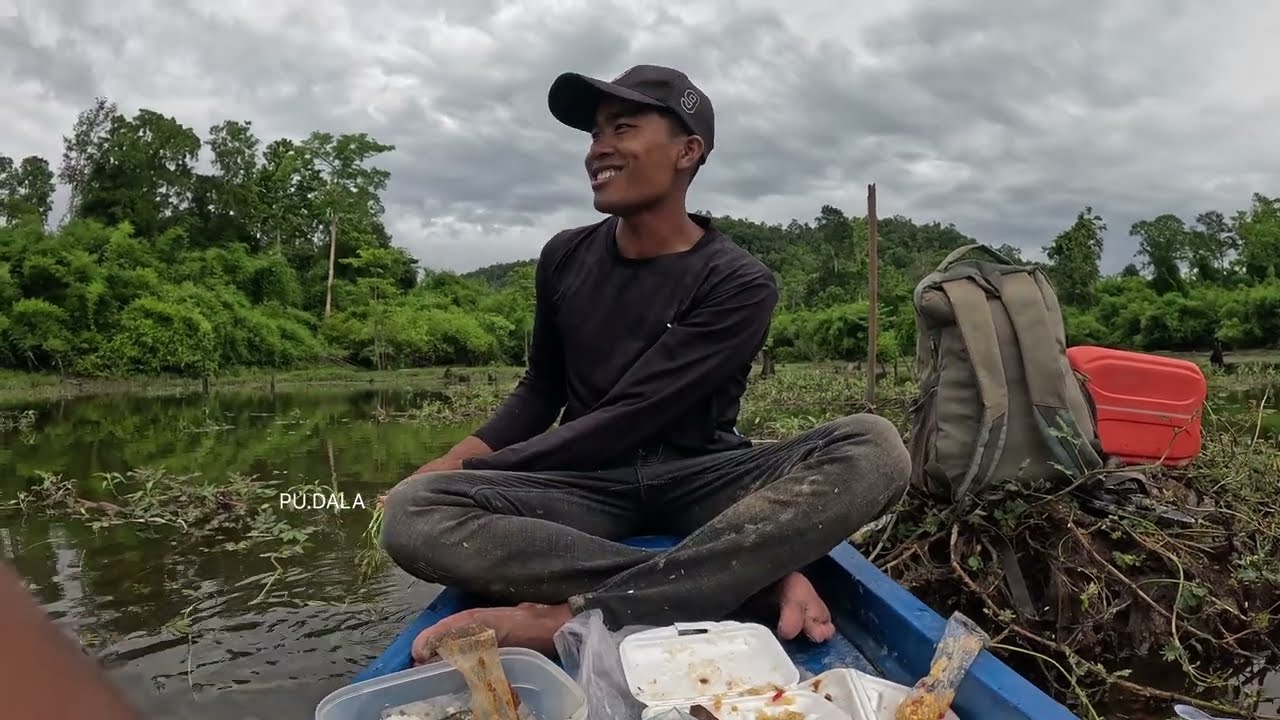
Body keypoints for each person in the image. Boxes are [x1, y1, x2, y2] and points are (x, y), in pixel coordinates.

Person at [380, 64, 911, 664]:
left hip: (705, 479)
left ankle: (574, 617)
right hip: (587, 488)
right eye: (594, 133)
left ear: (688, 151)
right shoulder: (564, 257)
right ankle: (743, 584)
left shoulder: (738, 281)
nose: (597, 149)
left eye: (623, 127)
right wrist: (449, 465)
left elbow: (632, 414)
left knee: (874, 446)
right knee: (412, 516)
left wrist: (484, 468)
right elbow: (541, 389)